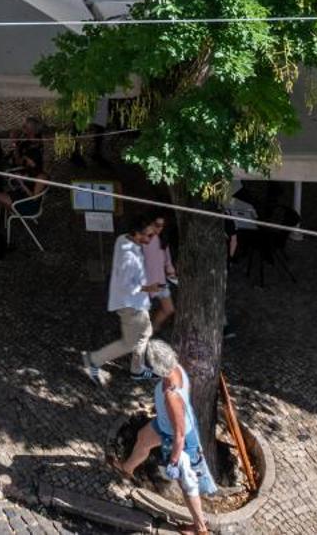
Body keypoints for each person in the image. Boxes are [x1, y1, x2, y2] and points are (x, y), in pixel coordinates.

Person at [109, 341, 217, 535]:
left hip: (179, 437)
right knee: (143, 438)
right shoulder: (176, 368)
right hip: (163, 425)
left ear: (156, 368)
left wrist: (175, 461)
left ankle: (200, 528)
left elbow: (180, 433)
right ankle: (126, 469)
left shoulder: (171, 396)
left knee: (187, 483)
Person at [83, 212, 167, 386]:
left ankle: (137, 369)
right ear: (137, 234)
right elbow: (128, 286)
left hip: (138, 303)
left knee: (145, 333)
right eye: (149, 235)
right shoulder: (128, 256)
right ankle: (93, 360)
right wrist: (150, 288)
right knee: (129, 343)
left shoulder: (124, 239)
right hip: (130, 305)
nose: (152, 238)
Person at [144, 221, 178, 332]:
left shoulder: (162, 239)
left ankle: (152, 329)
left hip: (160, 280)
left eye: (162, 225)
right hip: (145, 281)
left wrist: (170, 269)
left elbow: (167, 260)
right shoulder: (144, 239)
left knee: (168, 309)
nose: (160, 228)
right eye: (157, 225)